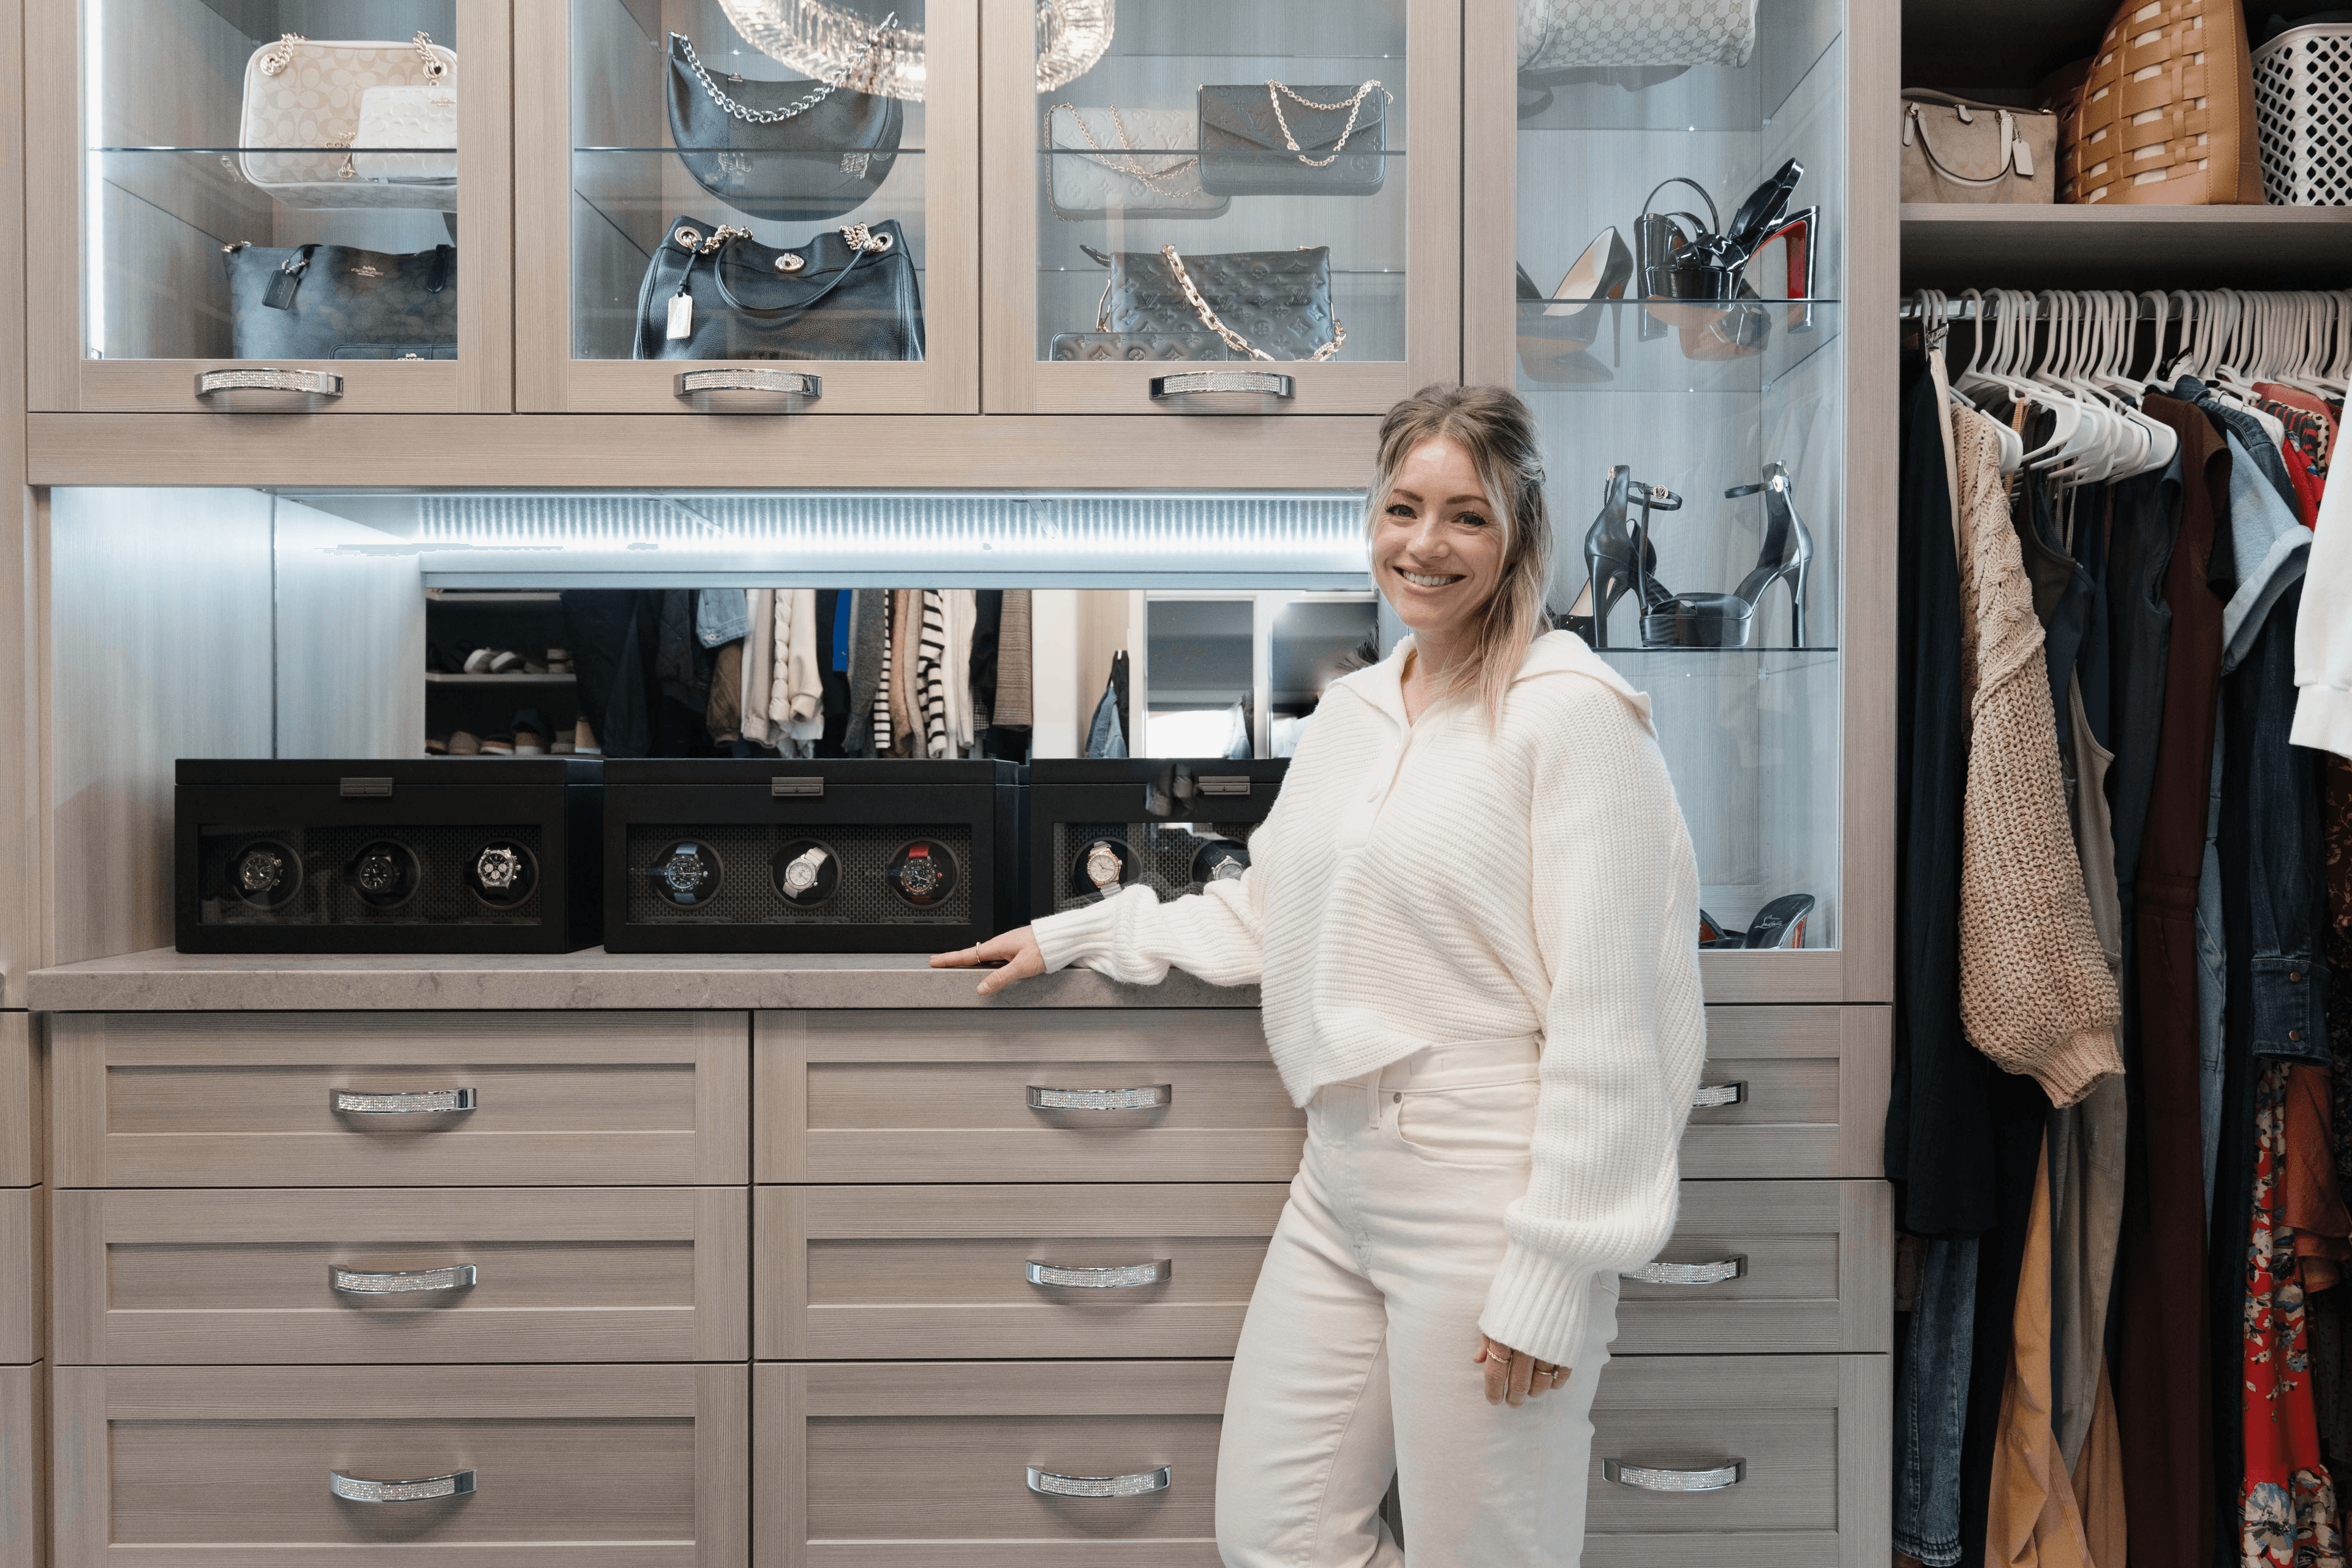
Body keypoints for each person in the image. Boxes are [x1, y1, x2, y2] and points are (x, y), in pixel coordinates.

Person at [933, 383, 1706, 1567]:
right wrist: (1084, 935)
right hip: (1342, 1176)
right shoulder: (1353, 710)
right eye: (1403, 509)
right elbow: (1279, 910)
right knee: (1276, 1535)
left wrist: (1556, 1268)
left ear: (1519, 535)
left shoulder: (1574, 716)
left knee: (1489, 1553)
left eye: (1466, 516)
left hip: (1487, 1187)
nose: (1426, 546)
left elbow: (1620, 1017)